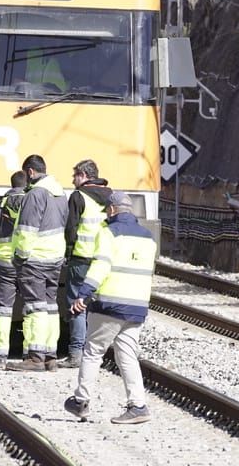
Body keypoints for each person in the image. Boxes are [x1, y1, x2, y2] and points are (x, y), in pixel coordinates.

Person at [63, 191, 156, 425]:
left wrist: (83, 294)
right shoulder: (148, 237)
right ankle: (138, 406)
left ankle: (81, 401)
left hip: (110, 305)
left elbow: (100, 267)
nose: (106, 213)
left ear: (113, 210)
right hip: (137, 306)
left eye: (107, 210)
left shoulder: (108, 233)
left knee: (93, 351)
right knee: (127, 355)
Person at [9, 153, 71, 371]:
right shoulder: (60, 193)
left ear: (30, 172)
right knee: (51, 306)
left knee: (35, 307)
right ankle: (50, 355)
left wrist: (20, 256)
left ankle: (35, 357)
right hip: (55, 257)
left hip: (35, 258)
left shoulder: (35, 194)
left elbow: (27, 229)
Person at [59, 159, 112, 368]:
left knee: (76, 305)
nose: (73, 180)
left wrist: (67, 252)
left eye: (75, 176)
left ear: (83, 175)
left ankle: (76, 353)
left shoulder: (78, 196)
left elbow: (71, 229)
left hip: (81, 259)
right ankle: (97, 352)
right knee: (98, 306)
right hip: (104, 259)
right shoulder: (111, 196)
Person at [0, 169, 30, 368]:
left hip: (5, 263)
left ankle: (0, 356)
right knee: (31, 309)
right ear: (28, 185)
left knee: (3, 310)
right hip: (27, 263)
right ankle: (29, 354)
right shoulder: (32, 204)